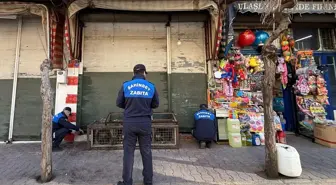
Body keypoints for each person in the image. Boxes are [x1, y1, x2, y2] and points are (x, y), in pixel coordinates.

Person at [116, 64, 159, 185]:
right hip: (145, 123)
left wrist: (130, 106)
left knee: (128, 153)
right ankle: (148, 181)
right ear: (144, 73)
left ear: (133, 73)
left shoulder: (125, 85)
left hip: (129, 122)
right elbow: (155, 104)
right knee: (146, 152)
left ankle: (127, 182)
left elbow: (119, 103)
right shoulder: (151, 86)